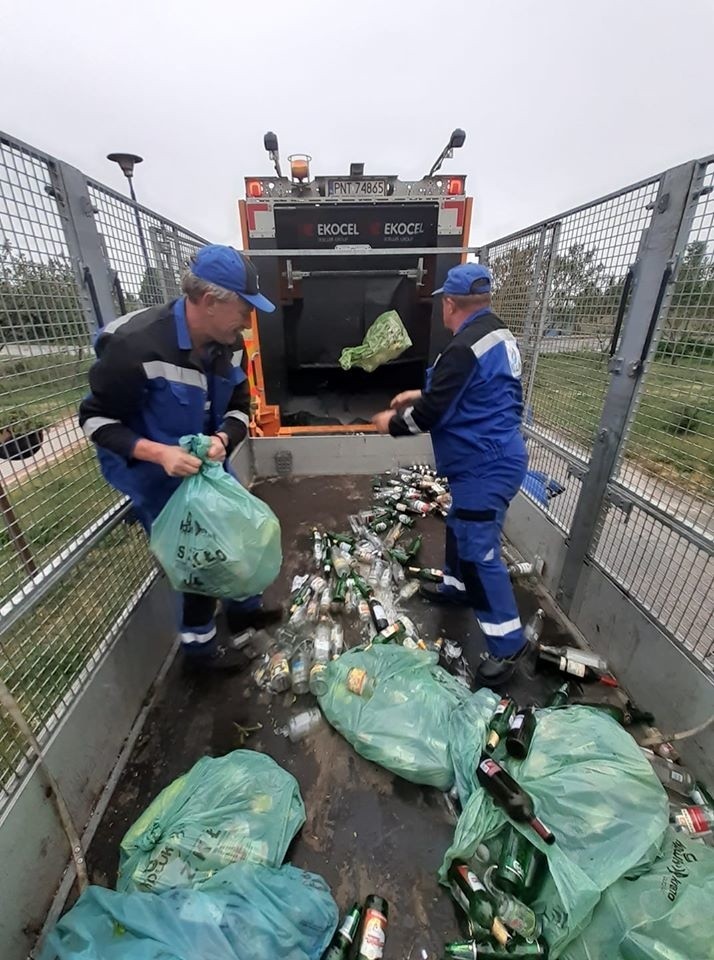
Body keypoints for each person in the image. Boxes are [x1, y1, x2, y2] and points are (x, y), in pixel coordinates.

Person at [79, 245, 280, 670]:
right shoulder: (134, 346)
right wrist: (159, 454)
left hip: (205, 462)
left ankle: (244, 610)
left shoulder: (231, 344)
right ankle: (200, 653)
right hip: (156, 473)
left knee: (237, 534)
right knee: (197, 560)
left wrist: (225, 438)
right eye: (244, 309)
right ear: (209, 301)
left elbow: (241, 406)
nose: (249, 320)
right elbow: (95, 421)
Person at [371, 263, 528, 685]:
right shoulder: (495, 334)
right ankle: (457, 589)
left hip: (485, 464)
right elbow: (479, 386)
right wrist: (422, 391)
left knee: (480, 552)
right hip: (488, 457)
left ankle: (508, 645)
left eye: (443, 300)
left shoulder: (463, 346)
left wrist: (393, 422)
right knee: (460, 525)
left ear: (450, 303)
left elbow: (432, 414)